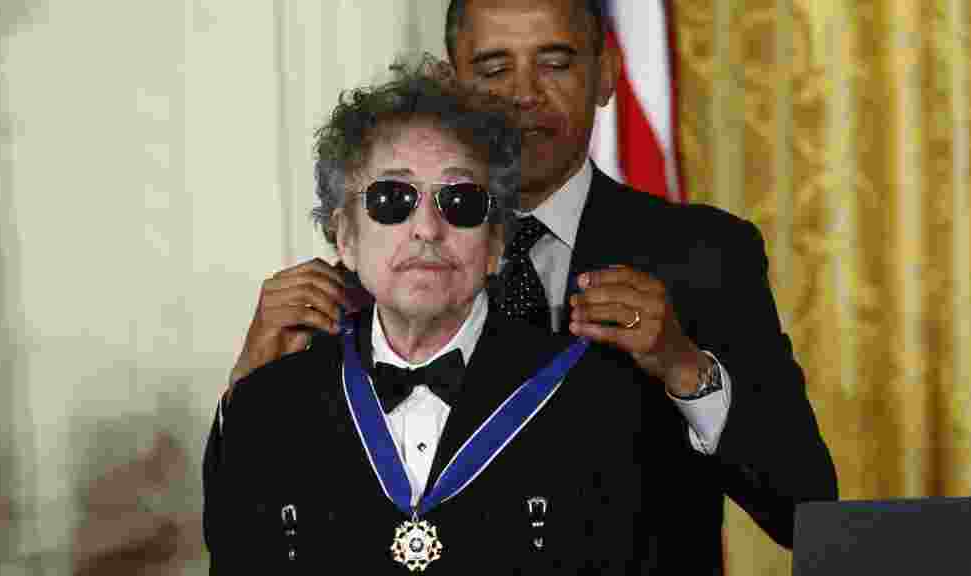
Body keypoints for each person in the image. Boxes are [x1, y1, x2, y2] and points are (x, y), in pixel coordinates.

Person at [216, 0, 838, 572]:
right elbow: (250, 526)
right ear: (452, 82)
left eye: (555, 63)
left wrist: (682, 366)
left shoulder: (704, 256)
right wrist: (251, 374)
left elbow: (804, 509)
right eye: (492, 68)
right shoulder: (379, 267)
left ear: (606, 74)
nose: (522, 95)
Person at [203, 62, 648, 573]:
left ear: (496, 243)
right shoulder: (266, 411)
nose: (427, 229)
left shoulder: (596, 400)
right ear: (344, 236)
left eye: (460, 200)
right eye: (393, 199)